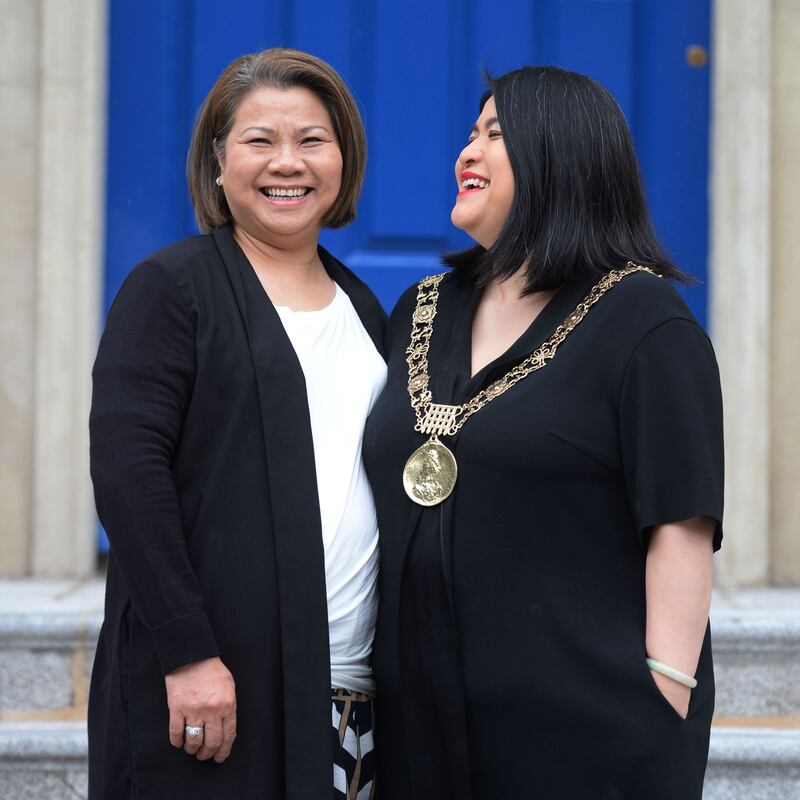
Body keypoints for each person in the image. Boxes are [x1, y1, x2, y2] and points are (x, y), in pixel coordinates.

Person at [364, 66, 723, 799]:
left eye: (495, 135)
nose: (467, 152)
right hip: (419, 723)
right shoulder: (421, 308)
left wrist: (666, 701)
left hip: (583, 733)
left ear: (560, 154)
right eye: (471, 133)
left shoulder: (644, 321)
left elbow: (680, 522)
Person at [89, 48, 386, 799]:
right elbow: (129, 477)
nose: (288, 163)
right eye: (260, 141)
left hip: (351, 695)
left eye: (312, 140)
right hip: (213, 693)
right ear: (218, 164)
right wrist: (187, 654)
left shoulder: (369, 313)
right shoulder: (170, 291)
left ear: (343, 163)